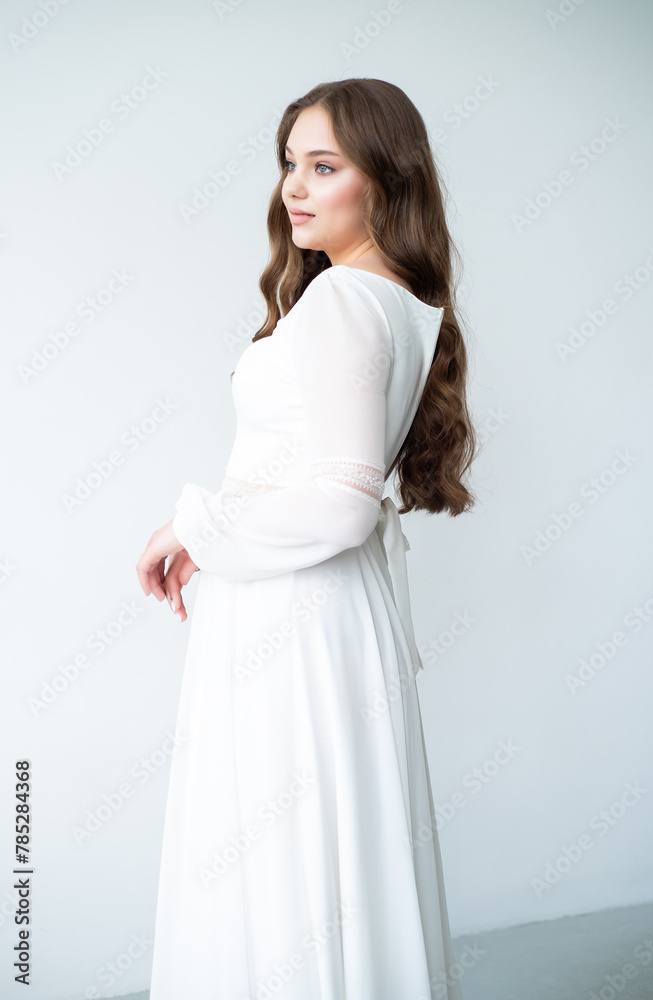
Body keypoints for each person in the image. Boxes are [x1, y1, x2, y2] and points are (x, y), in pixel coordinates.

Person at [136, 77, 478, 1000]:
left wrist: (194, 524)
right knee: (334, 858)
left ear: (386, 182)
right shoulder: (399, 302)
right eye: (290, 163)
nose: (295, 186)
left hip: (292, 621)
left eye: (323, 166)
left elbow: (339, 505)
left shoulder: (339, 304)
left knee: (277, 859)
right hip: (333, 617)